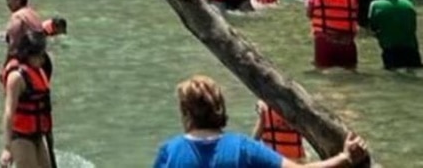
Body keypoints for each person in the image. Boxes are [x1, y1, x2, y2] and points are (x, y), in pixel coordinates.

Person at [152, 75, 368, 167]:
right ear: (220, 106)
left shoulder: (168, 153)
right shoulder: (242, 148)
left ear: (185, 111)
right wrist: (346, 157)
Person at [0, 31, 54, 168]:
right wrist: (7, 148)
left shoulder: (39, 72)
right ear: (28, 54)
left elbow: (45, 107)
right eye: (39, 55)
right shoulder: (17, 77)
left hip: (37, 135)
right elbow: (8, 112)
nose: (43, 59)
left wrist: (49, 138)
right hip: (20, 137)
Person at [306, 0, 359, 69]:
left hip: (325, 39)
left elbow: (309, 12)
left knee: (323, 74)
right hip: (347, 40)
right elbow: (355, 12)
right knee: (350, 73)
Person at [368, 0, 421, 70]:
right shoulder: (408, 3)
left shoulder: (375, 5)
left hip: (390, 51)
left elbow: (373, 28)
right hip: (411, 50)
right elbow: (413, 25)